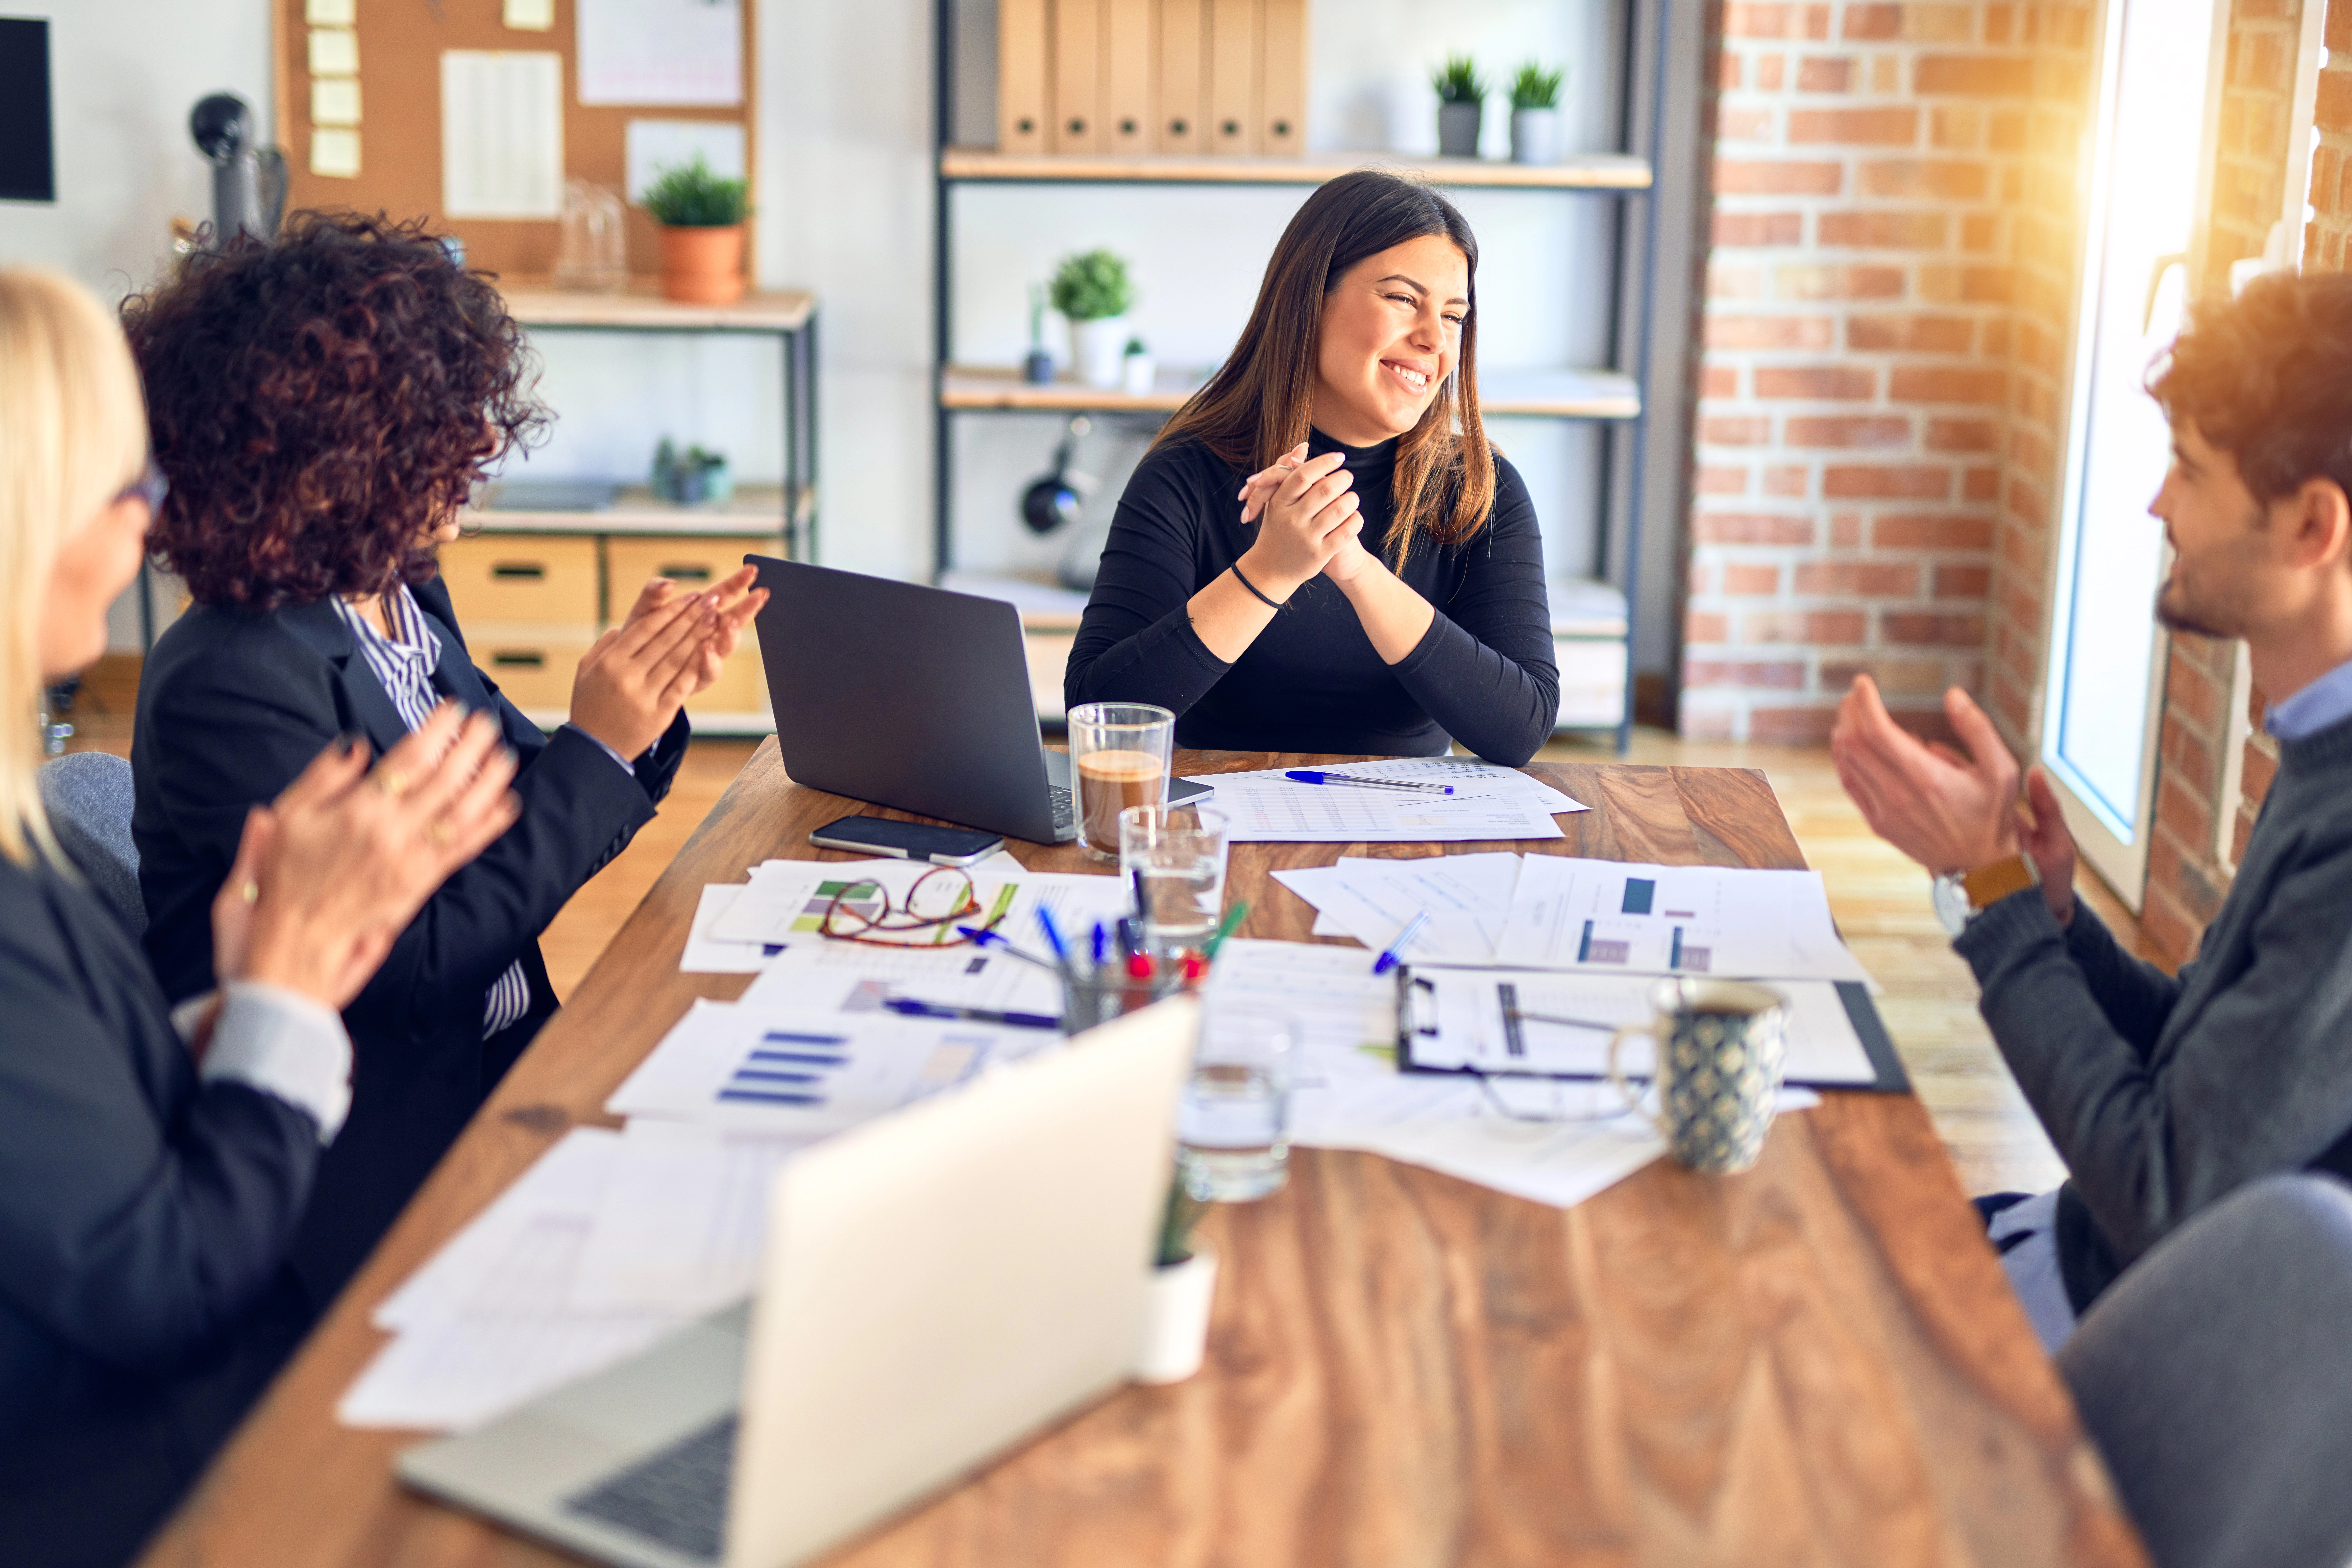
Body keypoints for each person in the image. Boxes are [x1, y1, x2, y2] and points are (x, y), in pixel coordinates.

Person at [123, 213, 767, 1309]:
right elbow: (411, 964)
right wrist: (595, 749)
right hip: (383, 1161)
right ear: (333, 457)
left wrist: (635, 714)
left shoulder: (400, 592)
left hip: (516, 1062)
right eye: (440, 430)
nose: (480, 454)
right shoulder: (227, 680)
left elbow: (515, 803)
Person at [0, 268, 523, 1566]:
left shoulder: (30, 847)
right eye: (126, 492)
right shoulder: (228, 683)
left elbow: (62, 1156)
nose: (145, 535)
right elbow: (163, 1286)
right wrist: (283, 1005)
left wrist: (234, 1003)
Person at [1831, 270, 2352, 1349]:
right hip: (2068, 1254)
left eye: (2190, 472)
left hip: (2122, 1344)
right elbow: (2201, 1074)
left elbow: (2164, 1191)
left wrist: (1996, 897)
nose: (2159, 506)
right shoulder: (2318, 754)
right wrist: (2059, 919)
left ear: (2313, 527)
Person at [1065, 169, 1558, 765]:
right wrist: (1269, 572)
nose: (1435, 339)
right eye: (1403, 299)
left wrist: (1354, 569)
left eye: (1454, 316)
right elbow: (1098, 715)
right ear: (1310, 298)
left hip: (1414, 829)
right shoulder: (1186, 472)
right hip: (1216, 826)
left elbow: (1520, 730)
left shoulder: (1481, 489)